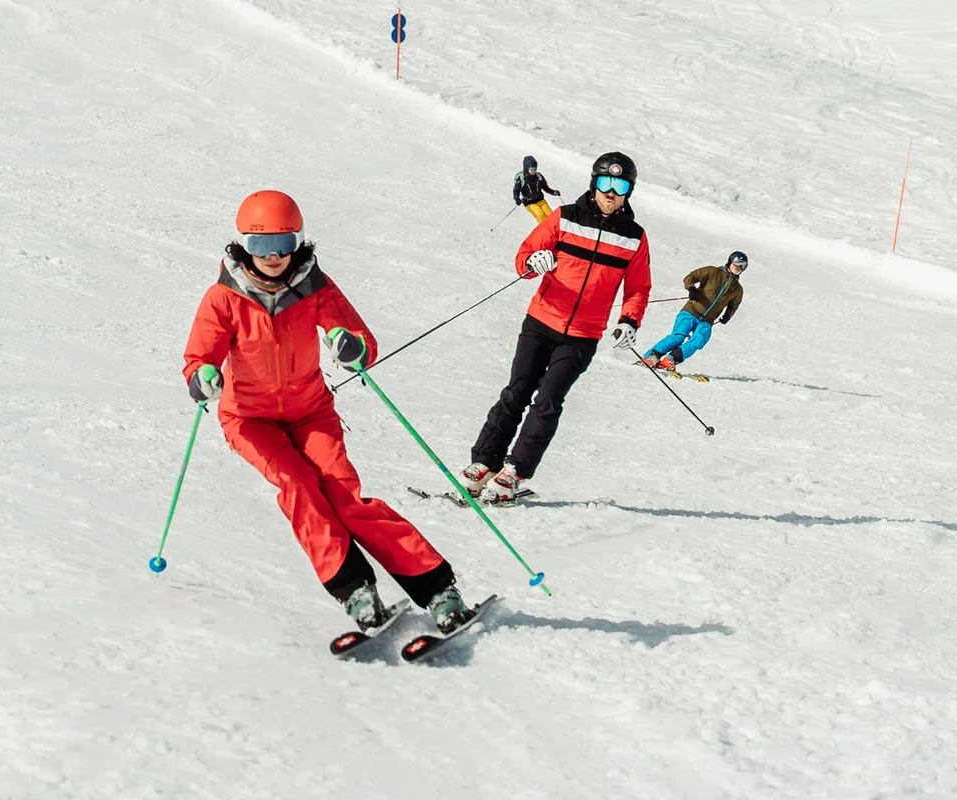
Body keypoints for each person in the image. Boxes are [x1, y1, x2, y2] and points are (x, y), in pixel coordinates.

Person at [183, 190, 476, 634]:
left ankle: (437, 589)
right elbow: (199, 357)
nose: (274, 256)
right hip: (249, 420)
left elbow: (358, 338)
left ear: (298, 241)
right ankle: (355, 590)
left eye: (284, 243)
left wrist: (350, 346)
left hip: (311, 412)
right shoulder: (223, 297)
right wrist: (202, 377)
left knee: (344, 496)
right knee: (298, 485)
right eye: (261, 245)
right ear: (243, 245)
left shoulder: (314, 285)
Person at [461, 152, 653, 504]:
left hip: (582, 335)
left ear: (629, 191)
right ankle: (484, 462)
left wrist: (629, 320)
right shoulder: (565, 218)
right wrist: (533, 262)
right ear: (594, 183)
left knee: (548, 401)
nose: (611, 193)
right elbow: (526, 255)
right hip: (542, 321)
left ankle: (514, 471)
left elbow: (638, 287)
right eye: (605, 183)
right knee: (516, 393)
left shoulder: (634, 238)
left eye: (620, 186)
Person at [640, 251, 748, 371]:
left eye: (742, 265)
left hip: (707, 321)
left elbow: (734, 305)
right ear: (730, 261)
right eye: (737, 263)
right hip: (691, 311)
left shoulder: (737, 290)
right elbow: (690, 277)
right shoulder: (713, 271)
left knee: (699, 341)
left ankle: (670, 359)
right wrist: (691, 289)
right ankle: (651, 356)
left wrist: (727, 316)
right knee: (678, 336)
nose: (739, 267)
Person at [511, 156, 562, 222]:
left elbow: (545, 187)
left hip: (540, 199)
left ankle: (554, 227)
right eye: (531, 169)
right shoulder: (521, 178)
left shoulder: (538, 176)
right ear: (526, 168)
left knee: (550, 214)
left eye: (535, 169)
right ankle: (545, 228)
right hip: (529, 202)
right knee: (539, 214)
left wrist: (553, 192)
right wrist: (517, 199)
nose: (533, 171)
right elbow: (516, 191)